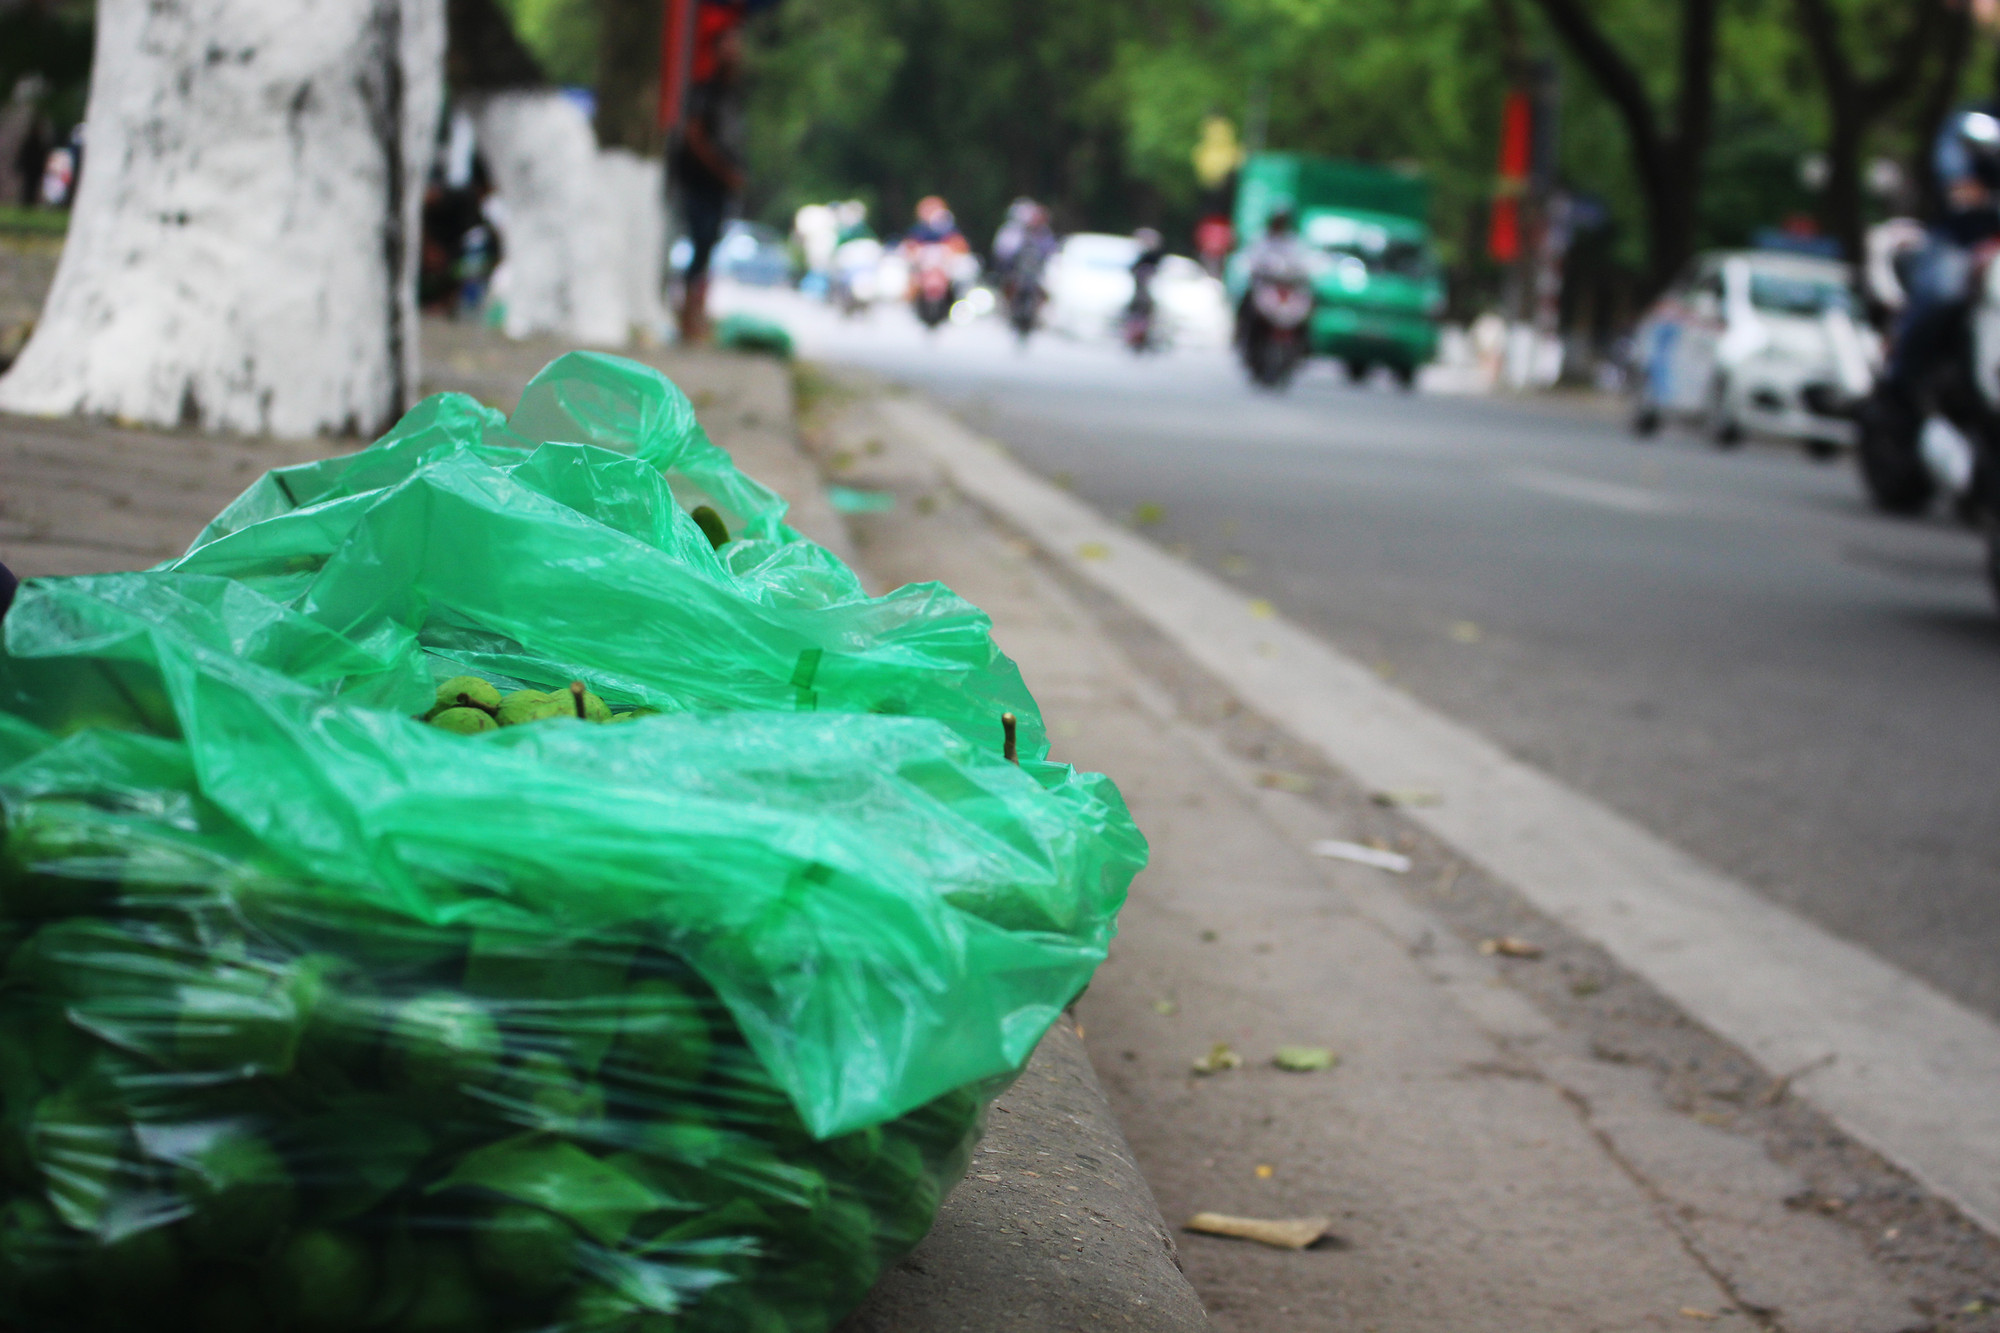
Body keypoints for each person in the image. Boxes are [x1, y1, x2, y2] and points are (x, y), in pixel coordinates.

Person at [1882, 108, 2000, 401]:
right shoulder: (1973, 121)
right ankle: (1898, 382)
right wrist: (1973, 193)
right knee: (1942, 294)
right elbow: (1958, 185)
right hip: (1963, 240)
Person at [671, 17, 747, 343]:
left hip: (721, 185)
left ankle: (697, 313)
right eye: (729, 43)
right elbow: (694, 135)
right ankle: (688, 316)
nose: (736, 50)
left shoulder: (736, 94)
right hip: (700, 181)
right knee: (700, 242)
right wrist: (721, 169)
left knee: (709, 245)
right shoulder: (705, 91)